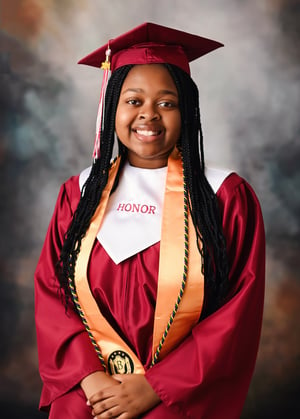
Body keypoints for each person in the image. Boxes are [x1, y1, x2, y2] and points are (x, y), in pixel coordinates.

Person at [34, 22, 265, 419]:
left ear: (187, 111)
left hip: (174, 401)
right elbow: (52, 293)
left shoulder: (223, 196)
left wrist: (154, 388)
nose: (149, 116)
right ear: (113, 107)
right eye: (133, 100)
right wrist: (89, 377)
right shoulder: (80, 193)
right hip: (87, 396)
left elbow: (236, 315)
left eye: (167, 103)